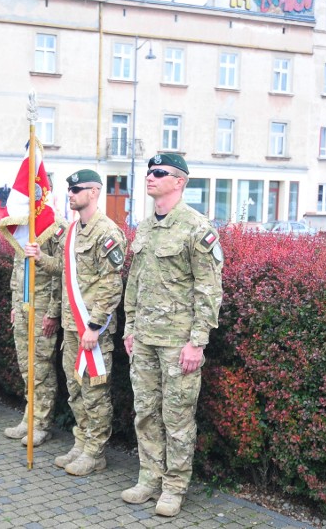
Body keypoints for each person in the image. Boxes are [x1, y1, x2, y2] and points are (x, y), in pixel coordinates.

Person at [121, 153, 223, 517]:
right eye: (149, 171)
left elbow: (208, 290)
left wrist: (197, 342)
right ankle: (149, 478)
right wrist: (130, 328)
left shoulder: (197, 227)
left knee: (177, 417)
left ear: (179, 181)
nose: (150, 176)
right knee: (145, 413)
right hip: (145, 339)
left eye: (159, 172)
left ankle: (174, 487)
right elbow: (134, 282)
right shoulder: (145, 227)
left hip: (178, 344)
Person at [24, 169, 126, 476]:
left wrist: (94, 326)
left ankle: (95, 452)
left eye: (76, 189)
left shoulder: (107, 232)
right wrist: (40, 257)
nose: (70, 194)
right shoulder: (71, 231)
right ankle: (81, 443)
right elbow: (63, 270)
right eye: (69, 190)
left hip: (92, 329)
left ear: (94, 192)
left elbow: (111, 284)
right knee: (75, 388)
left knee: (94, 391)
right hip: (71, 325)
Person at [3, 214, 66, 447]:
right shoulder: (23, 226)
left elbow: (60, 273)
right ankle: (29, 416)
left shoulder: (53, 225)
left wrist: (53, 311)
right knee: (26, 366)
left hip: (41, 309)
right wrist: (14, 304)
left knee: (41, 368)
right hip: (23, 306)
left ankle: (41, 424)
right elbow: (17, 268)